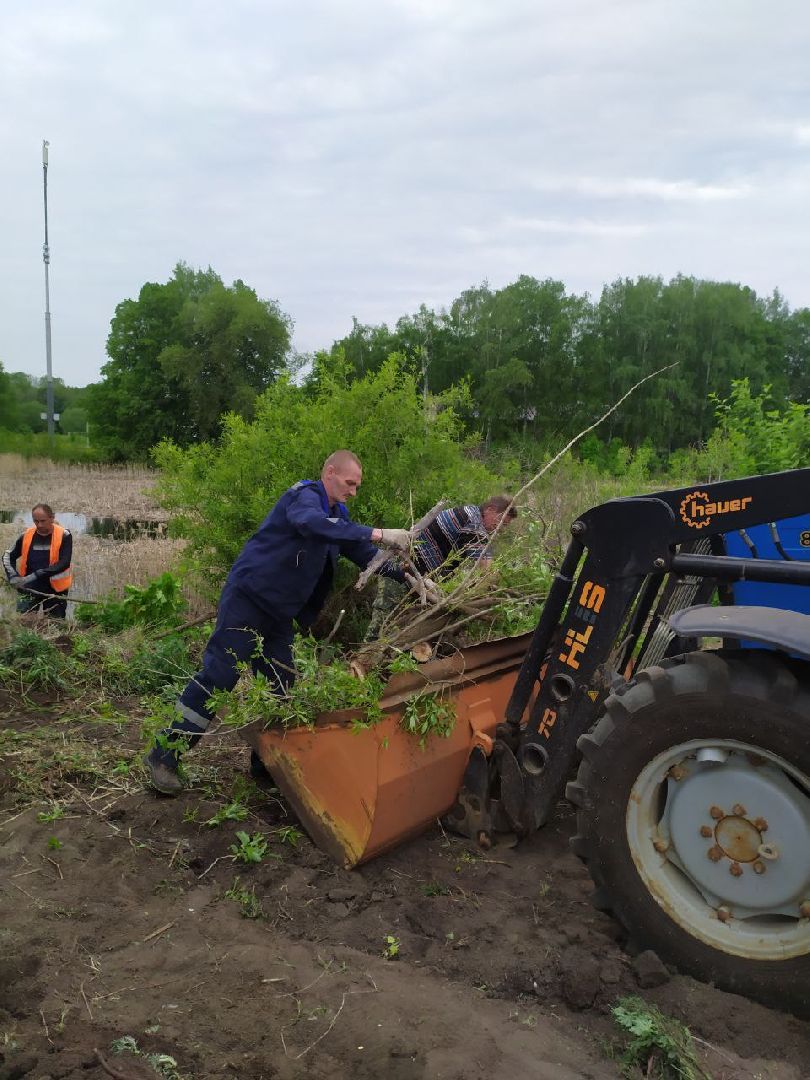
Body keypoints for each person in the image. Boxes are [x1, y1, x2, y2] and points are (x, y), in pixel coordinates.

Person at [144, 450, 411, 795]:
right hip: (249, 603)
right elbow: (310, 524)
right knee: (219, 677)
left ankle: (266, 768)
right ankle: (165, 756)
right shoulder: (303, 497)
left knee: (280, 689)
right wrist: (379, 532)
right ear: (330, 472)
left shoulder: (336, 515)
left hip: (279, 617)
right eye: (350, 483)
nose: (353, 491)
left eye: (357, 486)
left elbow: (362, 553)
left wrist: (410, 577)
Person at [365, 495, 518, 640]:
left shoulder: (470, 515)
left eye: (504, 525)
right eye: (501, 522)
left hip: (415, 577)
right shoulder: (472, 519)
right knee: (381, 623)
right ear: (490, 510)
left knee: (398, 625)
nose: (501, 528)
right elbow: (485, 564)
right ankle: (366, 658)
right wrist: (493, 581)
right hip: (401, 571)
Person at [2, 503, 73, 619]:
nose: (39, 525)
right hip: (28, 587)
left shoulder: (64, 535)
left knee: (55, 625)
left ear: (52, 518)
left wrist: (38, 574)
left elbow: (64, 562)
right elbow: (7, 556)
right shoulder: (26, 535)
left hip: (55, 590)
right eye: (36, 521)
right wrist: (13, 576)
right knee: (23, 625)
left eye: (43, 521)